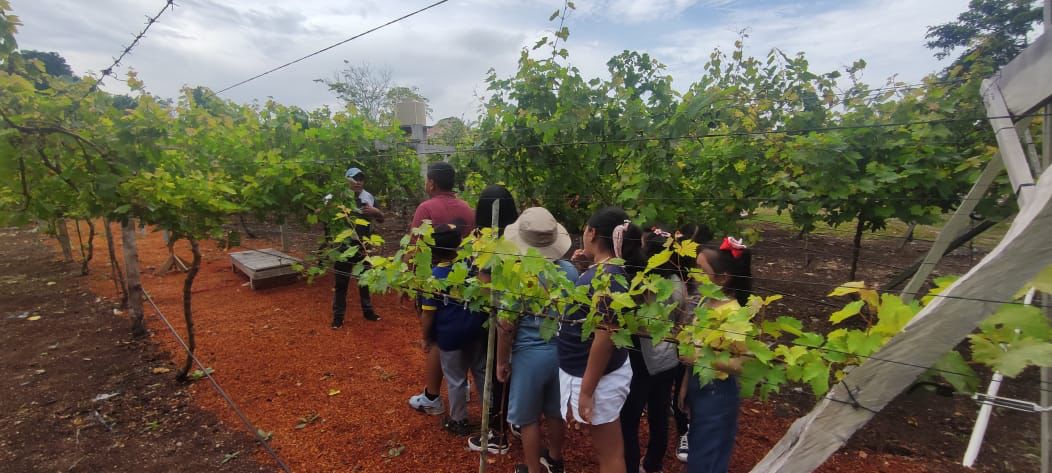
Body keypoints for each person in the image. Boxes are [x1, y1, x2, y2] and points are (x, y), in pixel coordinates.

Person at [557, 207, 644, 473]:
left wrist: (586, 391)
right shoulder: (605, 273)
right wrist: (587, 271)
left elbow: (604, 339)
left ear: (592, 233)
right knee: (608, 449)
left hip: (597, 378)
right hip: (593, 373)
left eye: (585, 229)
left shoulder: (608, 279)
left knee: (610, 454)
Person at [498, 207, 575, 473]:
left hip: (529, 355)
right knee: (555, 410)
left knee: (528, 418)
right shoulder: (570, 272)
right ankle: (555, 459)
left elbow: (506, 325)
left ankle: (532, 469)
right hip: (562, 353)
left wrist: (501, 361)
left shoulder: (517, 276)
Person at [621, 226, 695, 473]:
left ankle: (630, 466)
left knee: (629, 419)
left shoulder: (643, 284)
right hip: (669, 360)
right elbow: (682, 321)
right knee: (659, 414)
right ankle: (653, 464)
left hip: (645, 360)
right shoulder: (677, 282)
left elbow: (635, 320)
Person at [408, 162, 476, 416]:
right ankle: (463, 386)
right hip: (464, 281)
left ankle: (432, 396)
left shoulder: (426, 208)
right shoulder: (468, 210)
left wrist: (411, 283)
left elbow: (415, 249)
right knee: (463, 332)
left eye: (427, 180)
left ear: (432, 183)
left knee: (437, 337)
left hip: (434, 281)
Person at [679, 236, 751, 473]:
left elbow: (743, 363)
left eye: (701, 270)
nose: (694, 274)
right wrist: (684, 388)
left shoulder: (733, 314)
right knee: (699, 446)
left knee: (708, 456)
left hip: (718, 394)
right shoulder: (704, 304)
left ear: (722, 278)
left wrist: (698, 359)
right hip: (698, 385)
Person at [418, 225, 488, 436]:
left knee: (456, 379)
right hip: (476, 331)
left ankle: (459, 420)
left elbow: (428, 313)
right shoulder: (472, 267)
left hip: (450, 337)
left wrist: (425, 337)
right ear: (458, 245)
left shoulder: (434, 277)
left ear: (434, 251)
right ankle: (491, 416)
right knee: (482, 372)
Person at [467, 185, 519, 455]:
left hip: (500, 317)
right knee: (515, 368)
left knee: (498, 371)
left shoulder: (487, 245)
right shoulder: (521, 238)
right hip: (526, 312)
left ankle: (497, 434)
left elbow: (486, 288)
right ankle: (517, 420)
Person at [671, 223, 713, 463]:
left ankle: (687, 430)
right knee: (680, 391)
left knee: (688, 390)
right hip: (678, 342)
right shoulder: (676, 278)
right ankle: (684, 428)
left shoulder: (700, 284)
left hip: (694, 345)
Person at [331, 167, 384, 329]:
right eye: (355, 179)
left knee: (364, 281)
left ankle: (368, 312)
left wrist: (376, 211)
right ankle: (338, 318)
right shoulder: (336, 196)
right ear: (346, 180)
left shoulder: (368, 197)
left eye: (361, 179)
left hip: (363, 246)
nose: (358, 182)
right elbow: (322, 210)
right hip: (343, 247)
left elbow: (381, 219)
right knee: (341, 283)